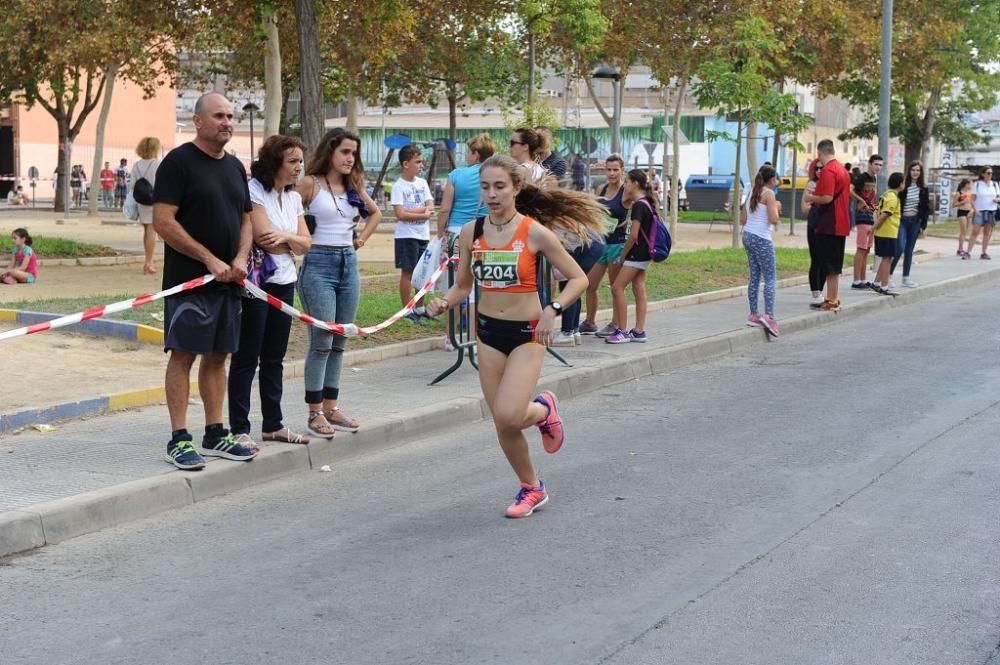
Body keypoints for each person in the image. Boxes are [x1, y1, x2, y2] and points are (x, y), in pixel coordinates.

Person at [424, 154, 606, 518]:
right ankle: (532, 487)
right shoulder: (470, 232)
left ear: (516, 188)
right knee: (502, 422)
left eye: (500, 187)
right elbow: (463, 286)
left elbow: (578, 279)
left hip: (528, 333)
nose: (492, 194)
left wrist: (552, 311)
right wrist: (444, 302)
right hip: (488, 333)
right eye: (486, 187)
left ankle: (543, 409)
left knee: (510, 414)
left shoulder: (534, 232)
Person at [152, 92, 257, 471]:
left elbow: (246, 219)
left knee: (219, 357)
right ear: (198, 121)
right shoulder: (178, 163)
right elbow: (164, 221)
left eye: (230, 116)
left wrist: (240, 259)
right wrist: (209, 260)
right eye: (218, 116)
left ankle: (216, 433)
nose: (227, 122)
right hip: (189, 284)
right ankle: (179, 439)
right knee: (183, 355)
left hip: (229, 282)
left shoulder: (234, 167)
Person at [227, 135, 313, 450]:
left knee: (274, 356)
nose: (298, 168)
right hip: (258, 283)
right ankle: (239, 427)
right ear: (274, 162)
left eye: (300, 162)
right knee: (247, 355)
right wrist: (293, 241)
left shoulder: (292, 199)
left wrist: (288, 237)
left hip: (285, 280)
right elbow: (264, 237)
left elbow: (307, 242)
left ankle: (273, 424)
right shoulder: (254, 191)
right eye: (292, 161)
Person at [296, 128, 382, 439]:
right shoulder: (310, 184)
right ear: (330, 151)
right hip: (318, 264)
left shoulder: (352, 185)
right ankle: (314, 412)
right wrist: (300, 237)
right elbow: (290, 212)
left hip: (349, 264)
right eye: (345, 152)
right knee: (321, 341)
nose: (350, 158)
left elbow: (375, 213)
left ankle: (331, 407)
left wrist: (360, 238)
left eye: (354, 153)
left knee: (340, 341)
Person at [436, 134, 495, 350]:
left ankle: (450, 337)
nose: (466, 156)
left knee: (453, 284)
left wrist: (440, 234)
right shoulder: (491, 177)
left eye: (469, 152)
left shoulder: (456, 175)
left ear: (475, 154)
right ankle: (472, 336)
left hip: (455, 234)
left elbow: (445, 209)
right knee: (476, 288)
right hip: (482, 233)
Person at [605, 169, 659, 344]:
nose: (624, 184)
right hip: (645, 254)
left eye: (627, 181)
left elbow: (633, 236)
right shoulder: (645, 203)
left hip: (637, 254)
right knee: (638, 288)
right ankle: (638, 331)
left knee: (617, 287)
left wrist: (622, 255)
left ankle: (621, 330)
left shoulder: (638, 205)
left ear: (635, 184)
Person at [581, 154, 627, 335]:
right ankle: (590, 322)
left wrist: (628, 221)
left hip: (617, 244)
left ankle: (615, 324)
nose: (612, 173)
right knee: (589, 284)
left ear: (622, 170)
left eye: (616, 170)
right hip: (601, 242)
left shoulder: (626, 191)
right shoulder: (602, 188)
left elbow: (643, 205)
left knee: (615, 287)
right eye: (609, 169)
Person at [803, 139, 851, 312]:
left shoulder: (829, 170)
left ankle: (831, 299)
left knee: (829, 263)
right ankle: (833, 297)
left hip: (830, 222)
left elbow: (827, 197)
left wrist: (810, 198)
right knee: (834, 264)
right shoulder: (843, 170)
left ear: (820, 153)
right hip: (841, 222)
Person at [390, 143, 434, 324]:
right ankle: (407, 309)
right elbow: (400, 214)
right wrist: (422, 212)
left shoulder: (422, 183)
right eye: (418, 162)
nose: (421, 165)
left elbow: (430, 205)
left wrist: (422, 211)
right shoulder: (398, 186)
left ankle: (420, 307)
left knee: (422, 272)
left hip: (423, 235)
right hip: (406, 236)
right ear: (406, 164)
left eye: (422, 162)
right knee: (408, 272)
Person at [740, 166, 781, 337]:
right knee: (770, 277)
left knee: (755, 275)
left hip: (748, 235)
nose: (777, 182)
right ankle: (769, 316)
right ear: (771, 180)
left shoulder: (752, 192)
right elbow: (773, 219)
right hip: (762, 238)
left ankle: (753, 314)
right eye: (776, 179)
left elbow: (743, 218)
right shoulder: (769, 194)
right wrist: (777, 208)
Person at [889, 161, 929, 287]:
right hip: (902, 221)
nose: (915, 172)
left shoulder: (924, 188)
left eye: (918, 170)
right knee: (899, 248)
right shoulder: (903, 185)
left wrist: (923, 226)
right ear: (909, 171)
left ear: (921, 172)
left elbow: (926, 208)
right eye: (913, 170)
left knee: (909, 250)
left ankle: (905, 278)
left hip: (915, 221)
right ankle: (888, 276)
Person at [849, 154, 883, 289]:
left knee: (867, 249)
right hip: (862, 216)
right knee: (861, 248)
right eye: (876, 164)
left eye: (880, 165)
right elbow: (849, 190)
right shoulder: (862, 177)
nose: (878, 167)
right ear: (869, 164)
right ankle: (856, 280)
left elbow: (873, 197)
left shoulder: (874, 178)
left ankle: (863, 279)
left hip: (870, 216)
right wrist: (861, 200)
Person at [871, 172, 905, 295]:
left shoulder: (886, 194)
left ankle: (877, 283)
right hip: (888, 232)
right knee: (887, 259)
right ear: (900, 184)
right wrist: (874, 227)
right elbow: (885, 215)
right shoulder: (893, 198)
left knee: (886, 258)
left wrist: (875, 227)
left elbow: (876, 211)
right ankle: (884, 286)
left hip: (883, 232)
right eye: (903, 182)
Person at [132, 137, 162, 275]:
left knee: (147, 230)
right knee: (152, 230)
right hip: (154, 200)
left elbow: (132, 185)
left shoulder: (137, 165)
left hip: (141, 201)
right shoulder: (157, 164)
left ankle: (147, 259)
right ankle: (149, 262)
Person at [967, 165, 999, 260]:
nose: (990, 175)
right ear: (983, 174)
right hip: (980, 210)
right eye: (988, 173)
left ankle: (984, 252)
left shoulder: (995, 184)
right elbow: (972, 199)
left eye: (991, 173)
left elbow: (998, 196)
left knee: (987, 232)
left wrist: (997, 200)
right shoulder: (977, 184)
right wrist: (975, 210)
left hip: (991, 210)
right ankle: (968, 252)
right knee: (975, 232)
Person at [952, 179, 975, 259]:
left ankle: (963, 248)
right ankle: (960, 249)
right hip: (961, 212)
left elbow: (973, 204)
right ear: (966, 184)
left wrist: (972, 211)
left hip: (969, 213)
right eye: (970, 184)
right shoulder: (959, 193)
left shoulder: (970, 193)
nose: (971, 186)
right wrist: (962, 202)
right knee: (963, 230)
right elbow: (953, 205)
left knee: (967, 231)